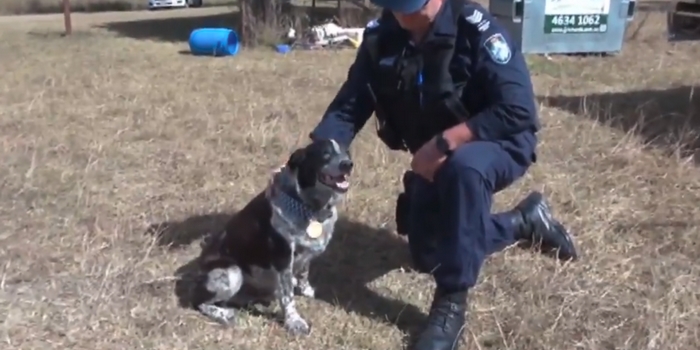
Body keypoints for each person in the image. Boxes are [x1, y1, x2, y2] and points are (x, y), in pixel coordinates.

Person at [309, 0, 579, 349]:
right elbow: (350, 105)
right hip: (434, 156)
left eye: (408, 5)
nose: (400, 14)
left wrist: (447, 142)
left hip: (496, 141)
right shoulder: (383, 36)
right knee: (428, 254)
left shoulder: (477, 29)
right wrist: (311, 158)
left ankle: (450, 303)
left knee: (464, 169)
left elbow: (518, 110)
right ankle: (522, 223)